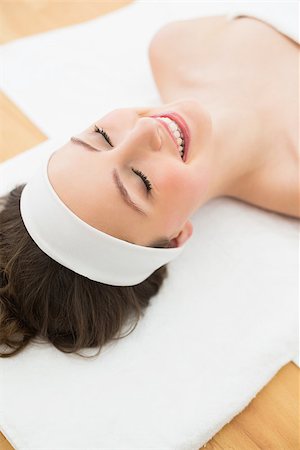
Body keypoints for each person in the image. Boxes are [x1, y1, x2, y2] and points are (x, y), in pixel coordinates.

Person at [0, 14, 298, 359]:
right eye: (141, 182)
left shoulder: (177, 47)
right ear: (176, 237)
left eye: (101, 136)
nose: (144, 131)